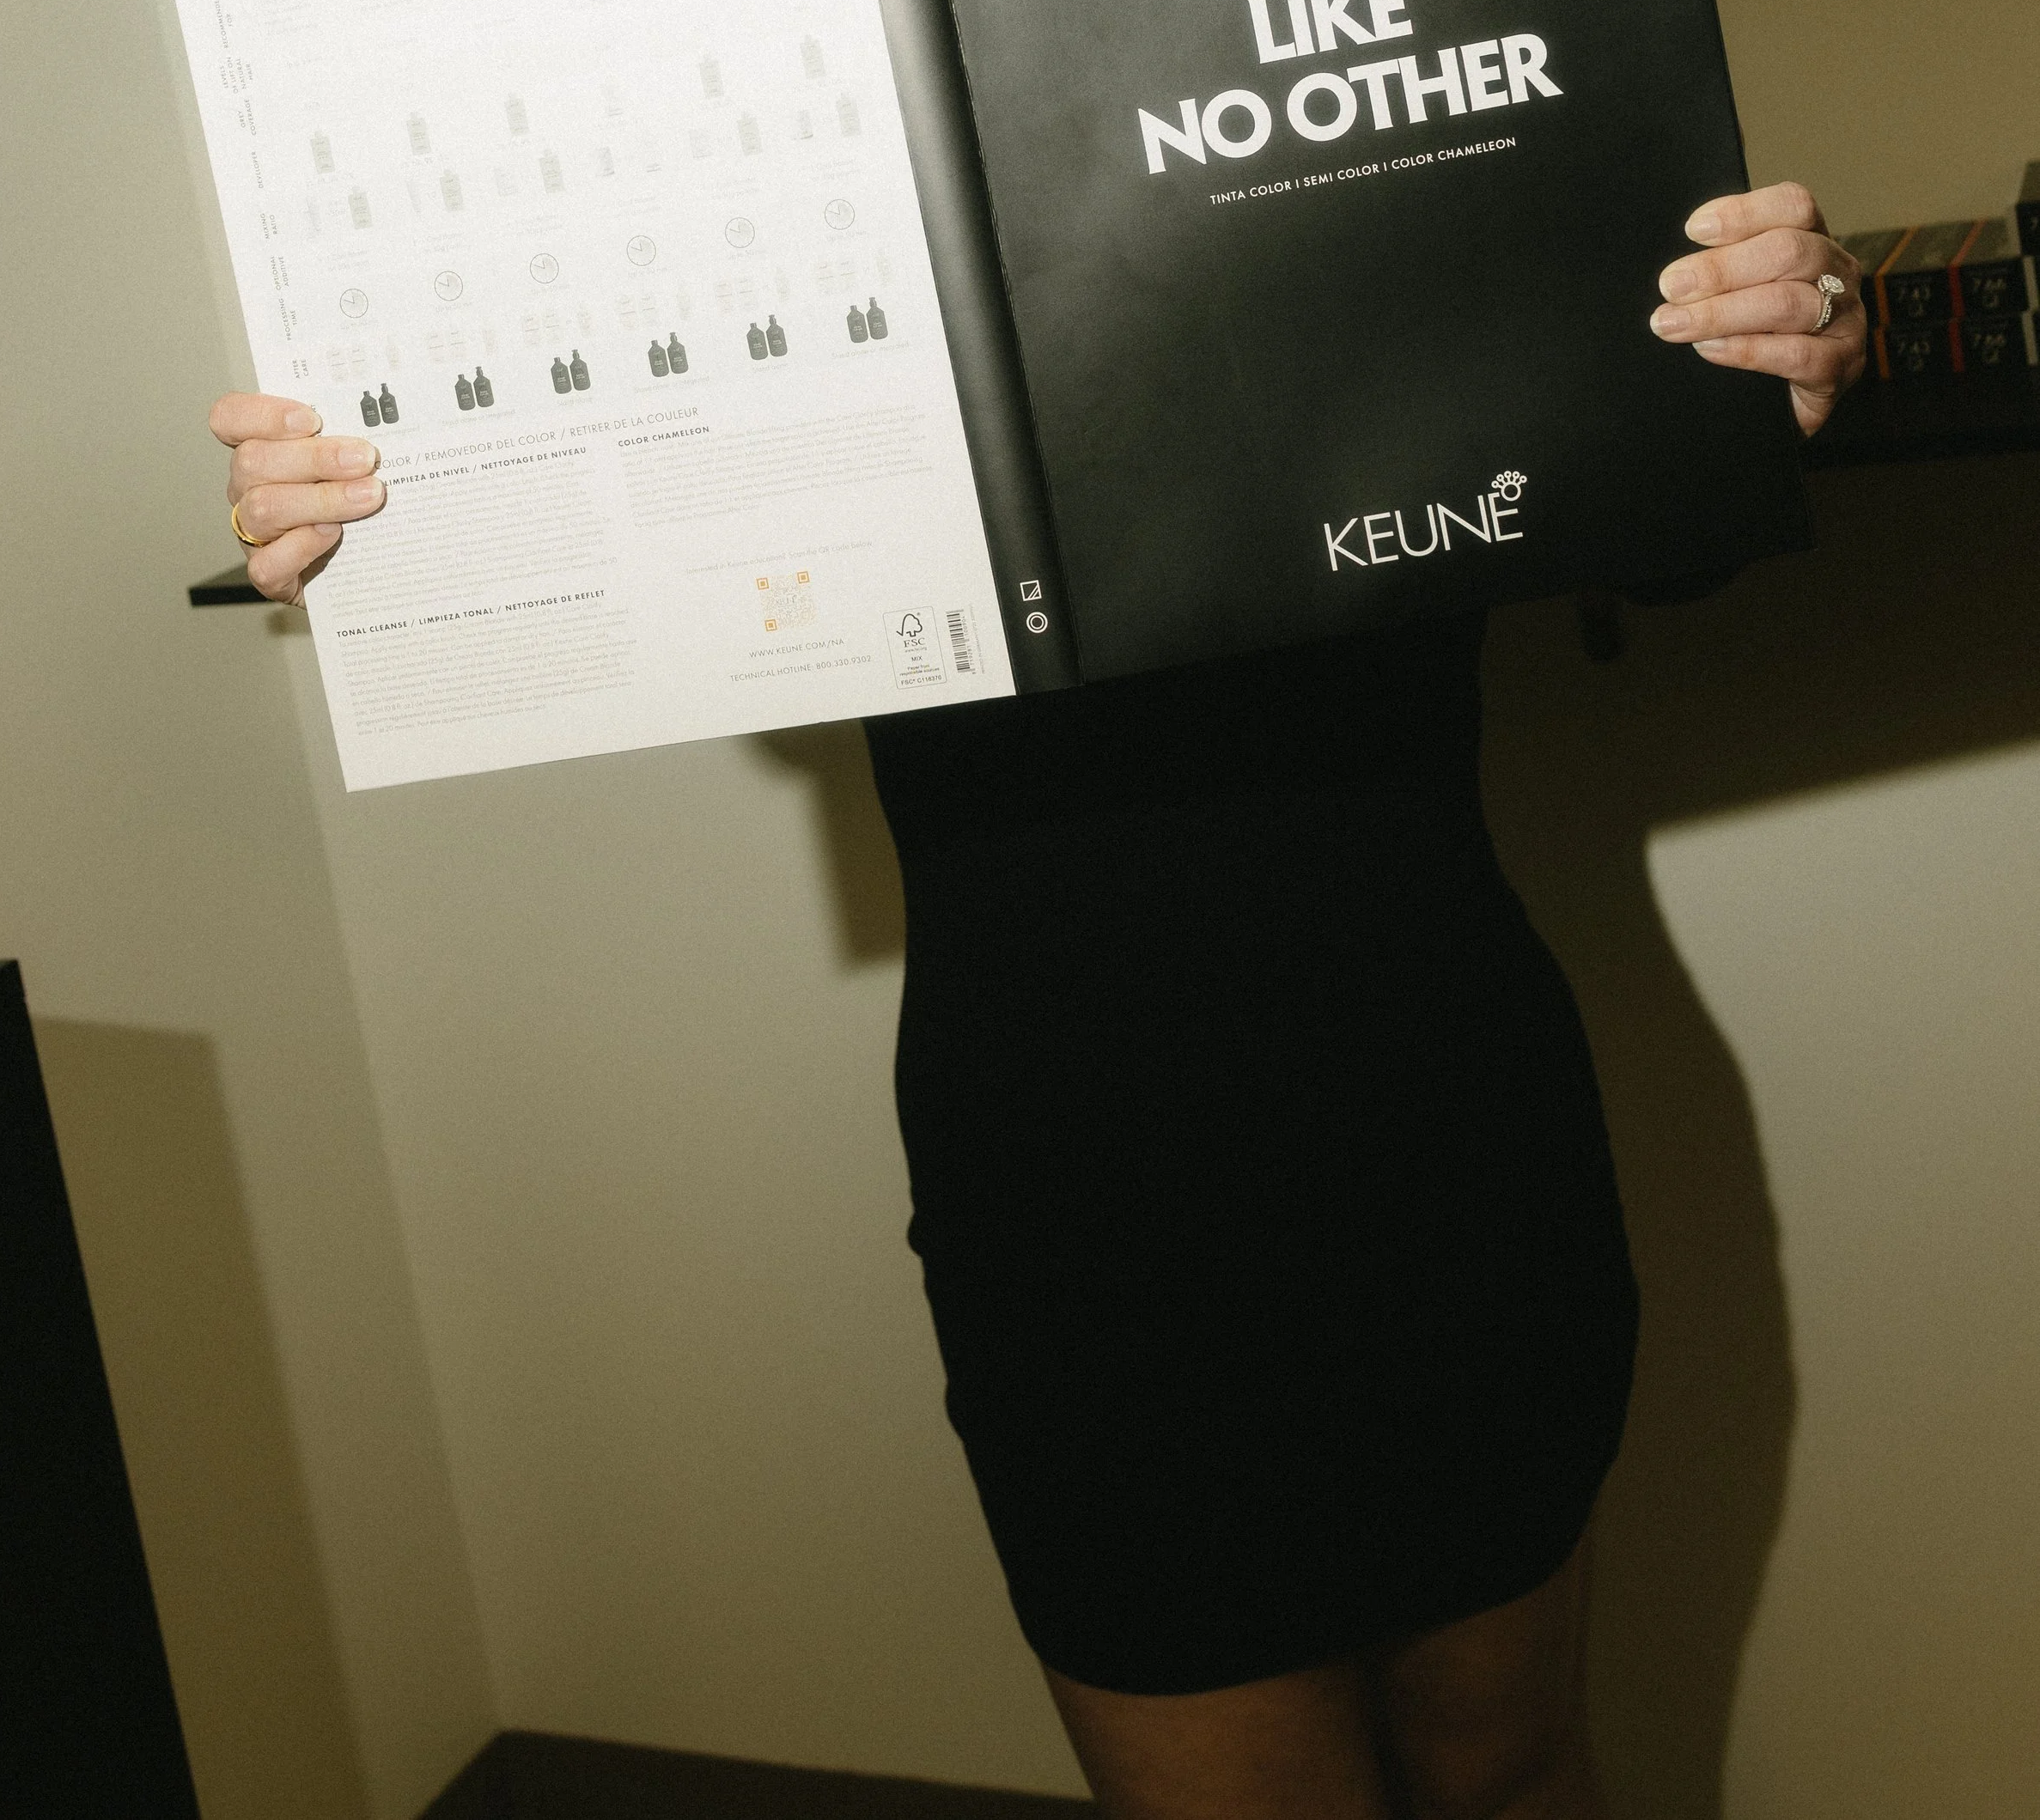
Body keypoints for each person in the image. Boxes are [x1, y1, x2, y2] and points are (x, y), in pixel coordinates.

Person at [212, 180, 1862, 1820]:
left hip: (1441, 1122)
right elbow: (621, 522)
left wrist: (1762, 344)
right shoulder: (762, 178)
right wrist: (384, 512)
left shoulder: (1342, 106)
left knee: (1509, 1774)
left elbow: (1640, 493)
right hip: (1079, 1201)